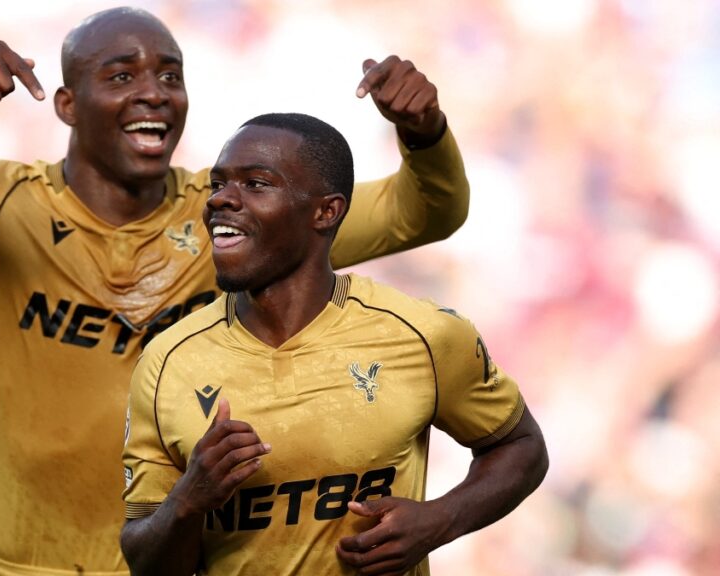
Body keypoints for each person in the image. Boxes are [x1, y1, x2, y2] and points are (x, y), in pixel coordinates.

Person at [0, 6, 471, 576]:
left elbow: (425, 211)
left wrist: (423, 130)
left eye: (170, 75)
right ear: (67, 105)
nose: (154, 92)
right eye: (122, 75)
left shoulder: (236, 221)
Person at [119, 113, 548, 575]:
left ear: (326, 211)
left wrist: (441, 519)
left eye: (256, 184)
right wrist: (187, 500)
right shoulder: (168, 360)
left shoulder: (420, 334)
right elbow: (148, 563)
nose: (221, 198)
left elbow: (522, 447)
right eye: (219, 183)